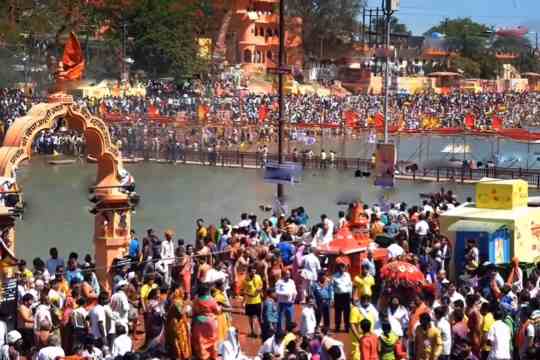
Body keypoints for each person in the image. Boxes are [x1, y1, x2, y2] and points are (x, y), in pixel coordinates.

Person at [192, 284, 220, 360]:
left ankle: (203, 356)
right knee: (212, 339)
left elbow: (193, 312)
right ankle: (212, 355)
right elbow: (218, 311)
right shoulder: (211, 300)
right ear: (207, 291)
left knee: (201, 340)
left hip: (199, 322)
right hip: (210, 323)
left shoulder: (196, 300)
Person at [165, 289, 192, 360]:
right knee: (180, 340)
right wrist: (187, 307)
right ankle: (180, 355)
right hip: (178, 324)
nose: (184, 293)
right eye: (182, 292)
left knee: (180, 339)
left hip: (178, 323)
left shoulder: (177, 300)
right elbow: (181, 312)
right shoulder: (177, 302)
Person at [242, 266, 264, 338]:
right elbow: (244, 290)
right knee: (250, 318)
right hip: (249, 302)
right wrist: (244, 300)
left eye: (255, 271)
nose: (254, 272)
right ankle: (252, 331)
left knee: (259, 317)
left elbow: (261, 286)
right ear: (249, 272)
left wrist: (259, 289)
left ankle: (262, 332)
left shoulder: (258, 277)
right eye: (252, 271)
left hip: (257, 300)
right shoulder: (245, 279)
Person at [332, 261, 352, 333]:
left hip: (346, 296)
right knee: (338, 312)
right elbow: (332, 288)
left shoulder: (348, 275)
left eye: (343, 267)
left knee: (347, 312)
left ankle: (347, 327)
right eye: (340, 267)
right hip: (338, 296)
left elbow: (350, 286)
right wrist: (332, 298)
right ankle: (337, 327)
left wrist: (351, 296)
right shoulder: (334, 276)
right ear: (338, 268)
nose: (342, 268)